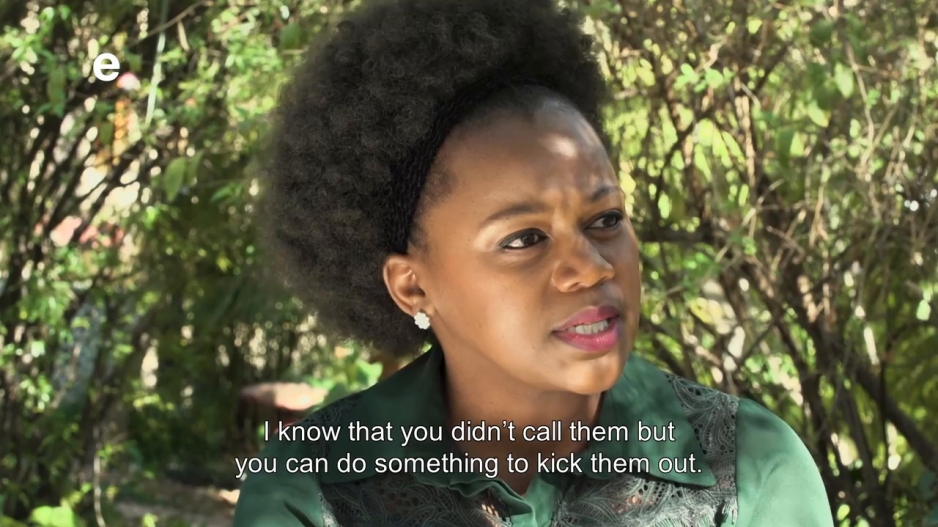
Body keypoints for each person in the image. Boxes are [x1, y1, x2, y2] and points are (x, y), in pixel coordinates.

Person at [233, 0, 834, 525]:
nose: (592, 267)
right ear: (413, 287)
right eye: (524, 239)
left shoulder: (752, 471)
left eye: (606, 220)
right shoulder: (312, 489)